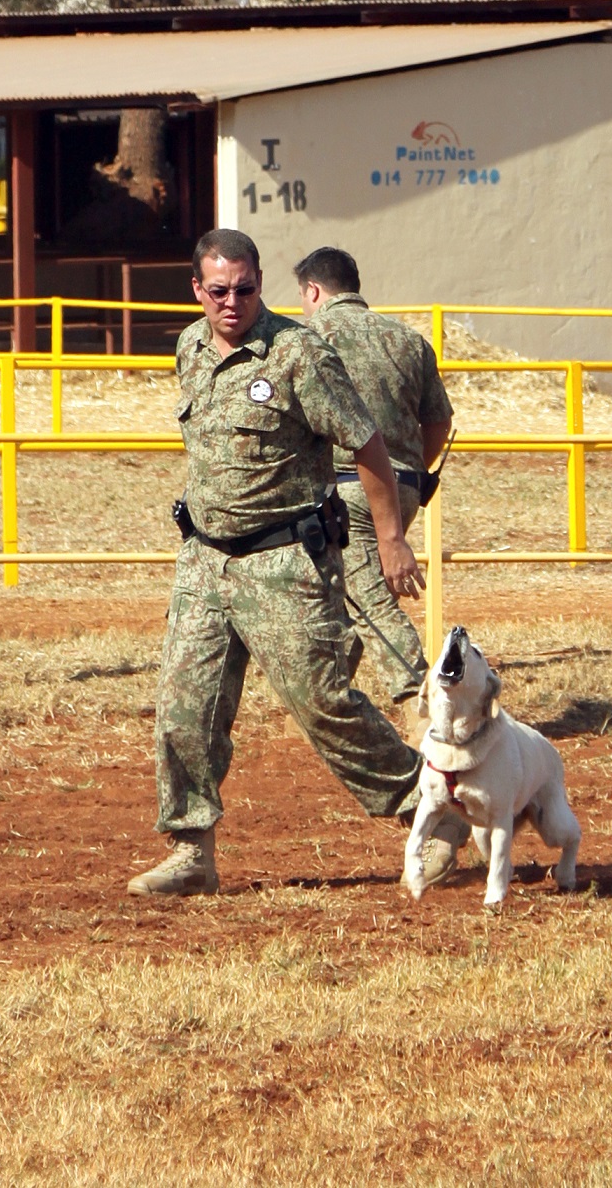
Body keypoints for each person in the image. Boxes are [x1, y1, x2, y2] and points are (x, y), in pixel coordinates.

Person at [128, 228, 468, 898]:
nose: (232, 303)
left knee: (324, 705)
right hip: (205, 559)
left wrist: (392, 537)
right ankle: (192, 850)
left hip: (283, 560)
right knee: (184, 709)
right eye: (218, 291)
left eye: (245, 289)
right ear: (197, 290)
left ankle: (432, 812)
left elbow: (367, 444)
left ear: (261, 285)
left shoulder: (297, 353)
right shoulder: (189, 347)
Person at [295, 246, 453, 705]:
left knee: (371, 606)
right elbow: (439, 421)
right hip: (404, 489)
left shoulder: (307, 339)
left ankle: (427, 701)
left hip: (346, 494)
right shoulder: (408, 339)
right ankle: (322, 706)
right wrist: (408, 472)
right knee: (350, 601)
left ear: (313, 290)